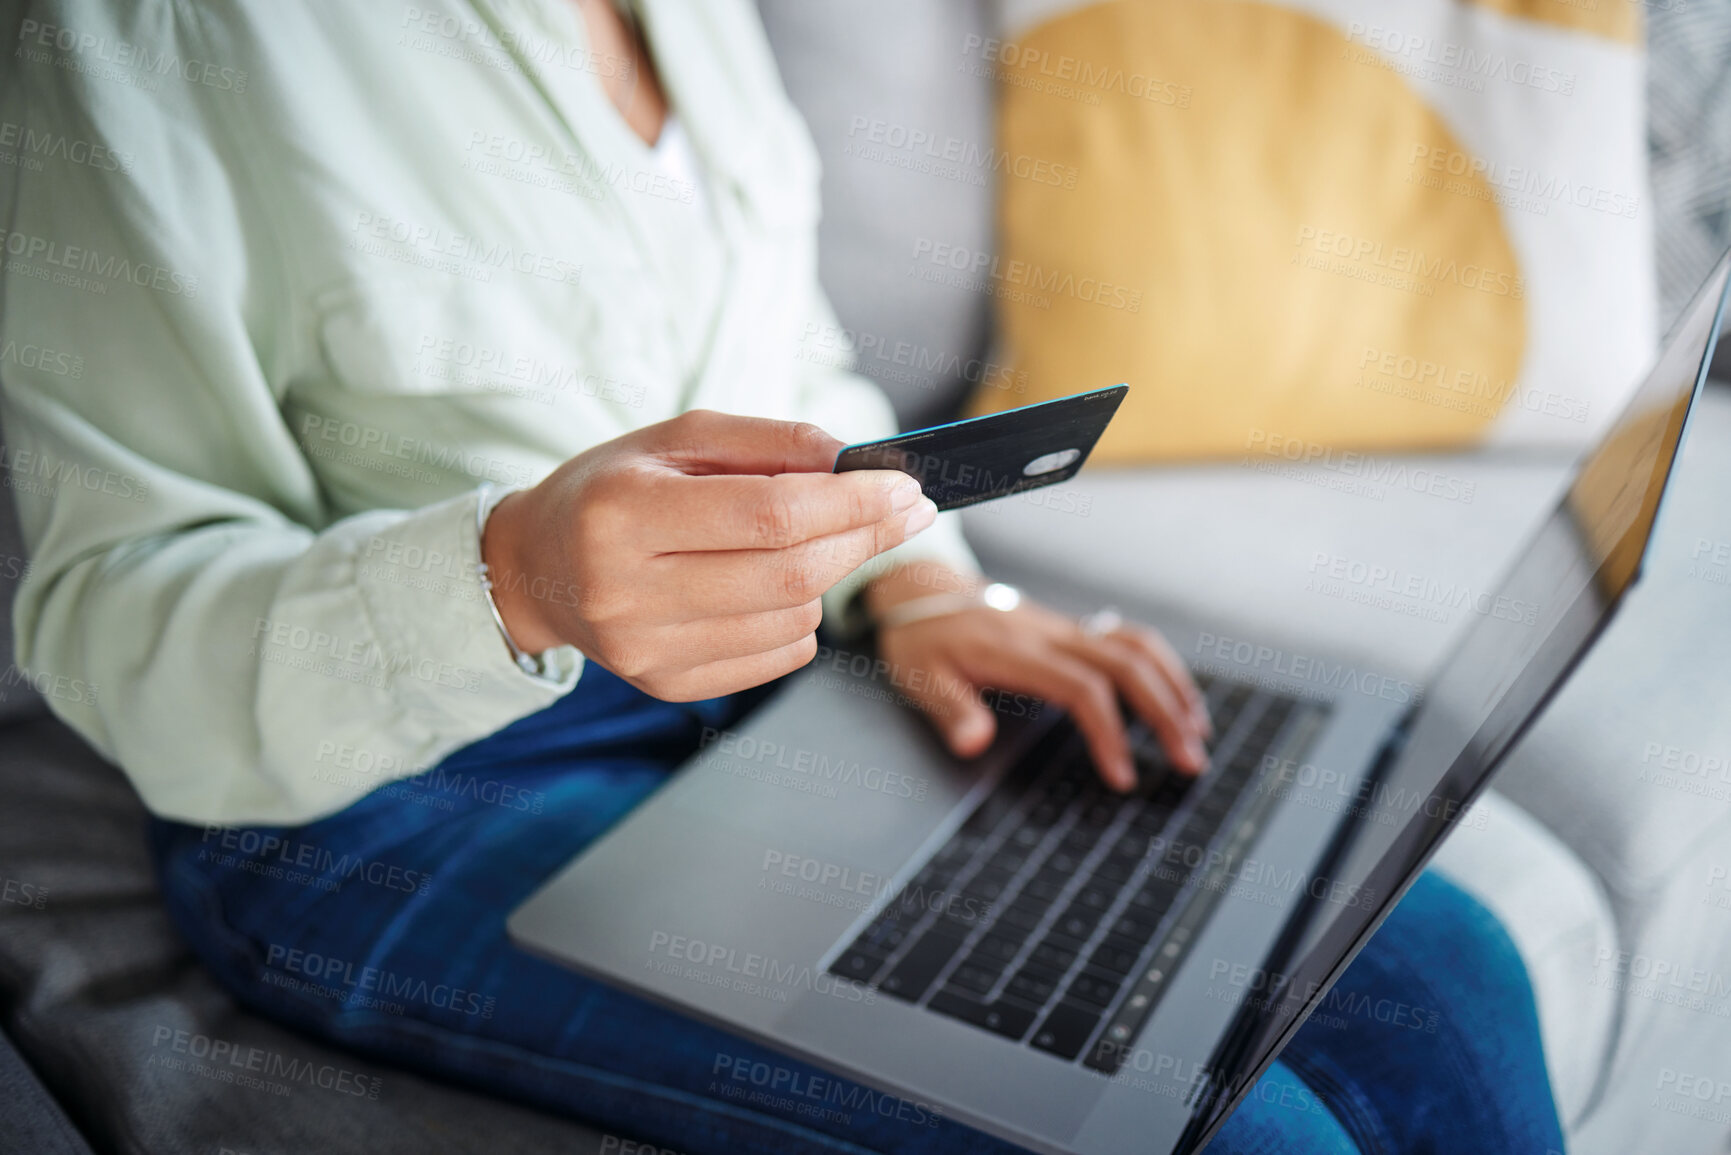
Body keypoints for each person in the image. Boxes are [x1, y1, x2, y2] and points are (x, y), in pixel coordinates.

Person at [0, 0, 1565, 1151]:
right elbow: (114, 604)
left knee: (1450, 964)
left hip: (781, 683)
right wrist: (515, 580)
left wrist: (930, 593)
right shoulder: (142, 41)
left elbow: (790, 360)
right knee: (1236, 1140)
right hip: (383, 796)